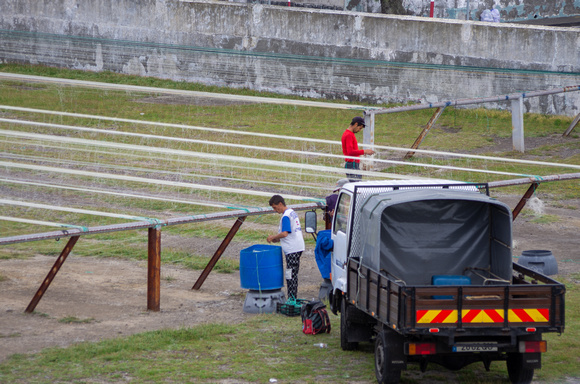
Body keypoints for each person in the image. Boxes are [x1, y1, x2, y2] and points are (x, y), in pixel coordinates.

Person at [267, 195, 305, 302]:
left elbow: (284, 234)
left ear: (280, 204)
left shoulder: (285, 216)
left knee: (290, 275)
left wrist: (273, 237)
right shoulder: (291, 212)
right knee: (293, 273)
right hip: (297, 246)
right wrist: (277, 239)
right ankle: (293, 297)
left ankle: (292, 299)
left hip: (292, 249)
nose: (275, 210)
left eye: (275, 207)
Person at [342, 116, 375, 181]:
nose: (359, 130)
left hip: (353, 163)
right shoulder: (349, 135)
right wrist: (364, 151)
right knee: (356, 184)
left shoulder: (348, 134)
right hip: (352, 164)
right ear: (356, 124)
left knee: (356, 183)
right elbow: (350, 152)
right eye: (359, 128)